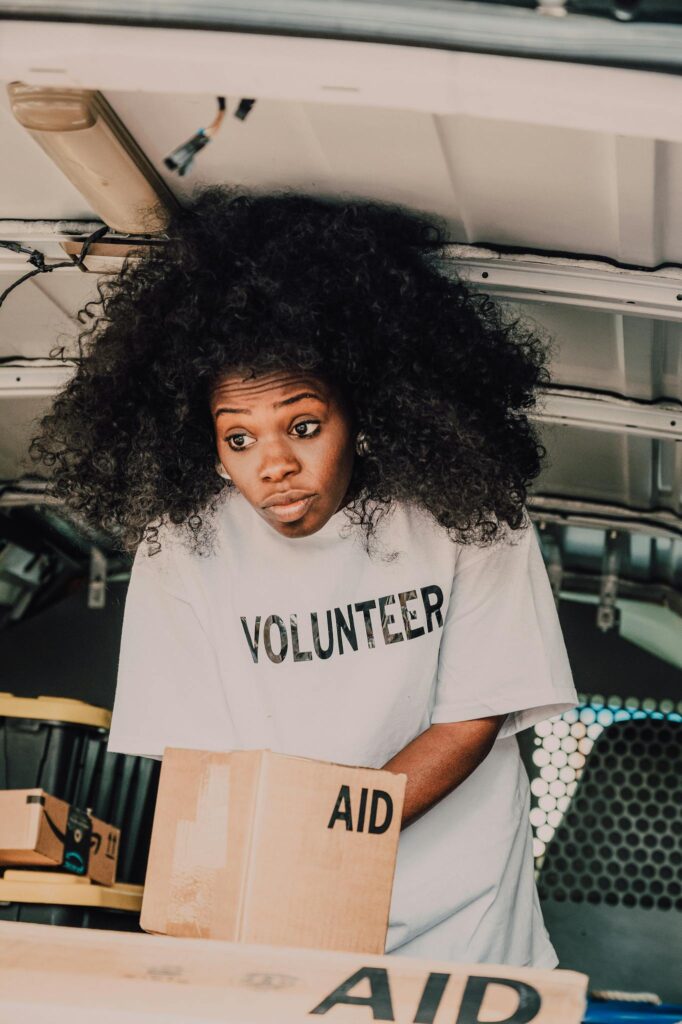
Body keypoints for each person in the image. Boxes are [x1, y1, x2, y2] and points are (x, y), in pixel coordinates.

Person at [30, 185, 577, 966]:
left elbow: (471, 720)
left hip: (467, 927)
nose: (274, 465)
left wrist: (323, 841)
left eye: (305, 425)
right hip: (277, 920)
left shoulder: (467, 510)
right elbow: (199, 764)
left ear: (366, 409)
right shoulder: (182, 543)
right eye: (239, 438)